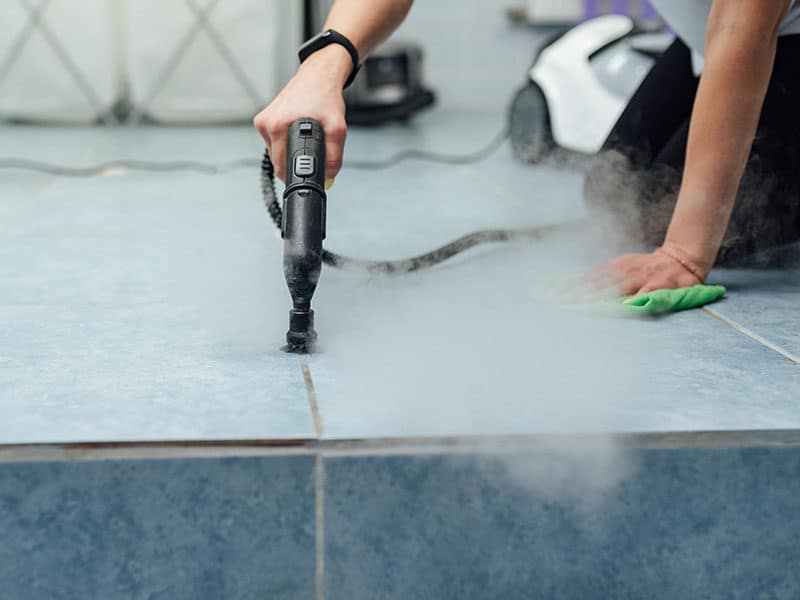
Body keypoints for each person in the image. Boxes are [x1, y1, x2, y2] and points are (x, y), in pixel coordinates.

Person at [254, 0, 800, 296]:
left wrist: (684, 252)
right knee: (619, 197)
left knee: (672, 226)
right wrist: (327, 63)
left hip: (762, 26)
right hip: (706, 29)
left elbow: (742, 28)